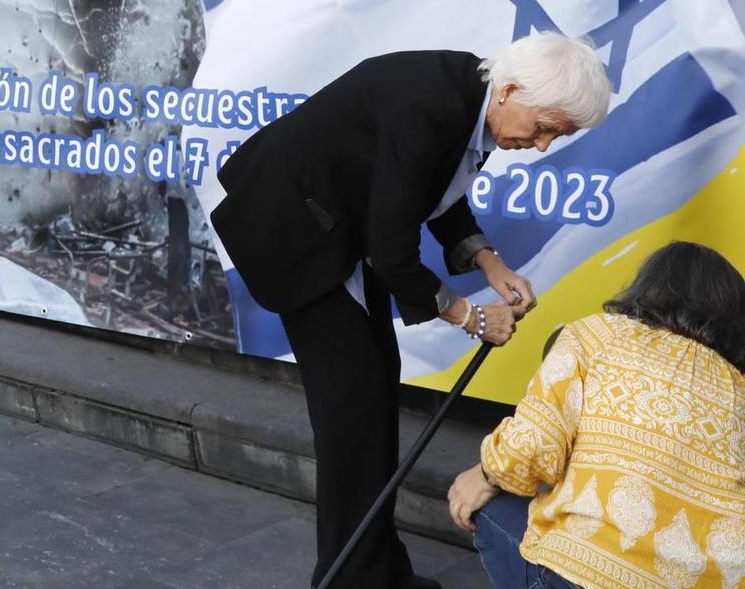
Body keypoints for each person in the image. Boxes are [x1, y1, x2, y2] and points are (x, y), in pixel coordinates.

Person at [209, 33, 613, 589]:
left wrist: (491, 265)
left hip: (337, 231)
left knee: (371, 391)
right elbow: (393, 253)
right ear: (514, 89)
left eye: (556, 136)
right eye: (544, 128)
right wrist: (472, 318)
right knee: (352, 406)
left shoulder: (473, 98)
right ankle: (351, 577)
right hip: (298, 233)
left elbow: (437, 194)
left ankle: (374, 570)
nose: (542, 145)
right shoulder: (432, 105)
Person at [447, 241, 744, 589]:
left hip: (585, 575)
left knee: (487, 507)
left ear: (647, 288)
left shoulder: (597, 335)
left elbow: (531, 446)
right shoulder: (738, 386)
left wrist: (482, 476)